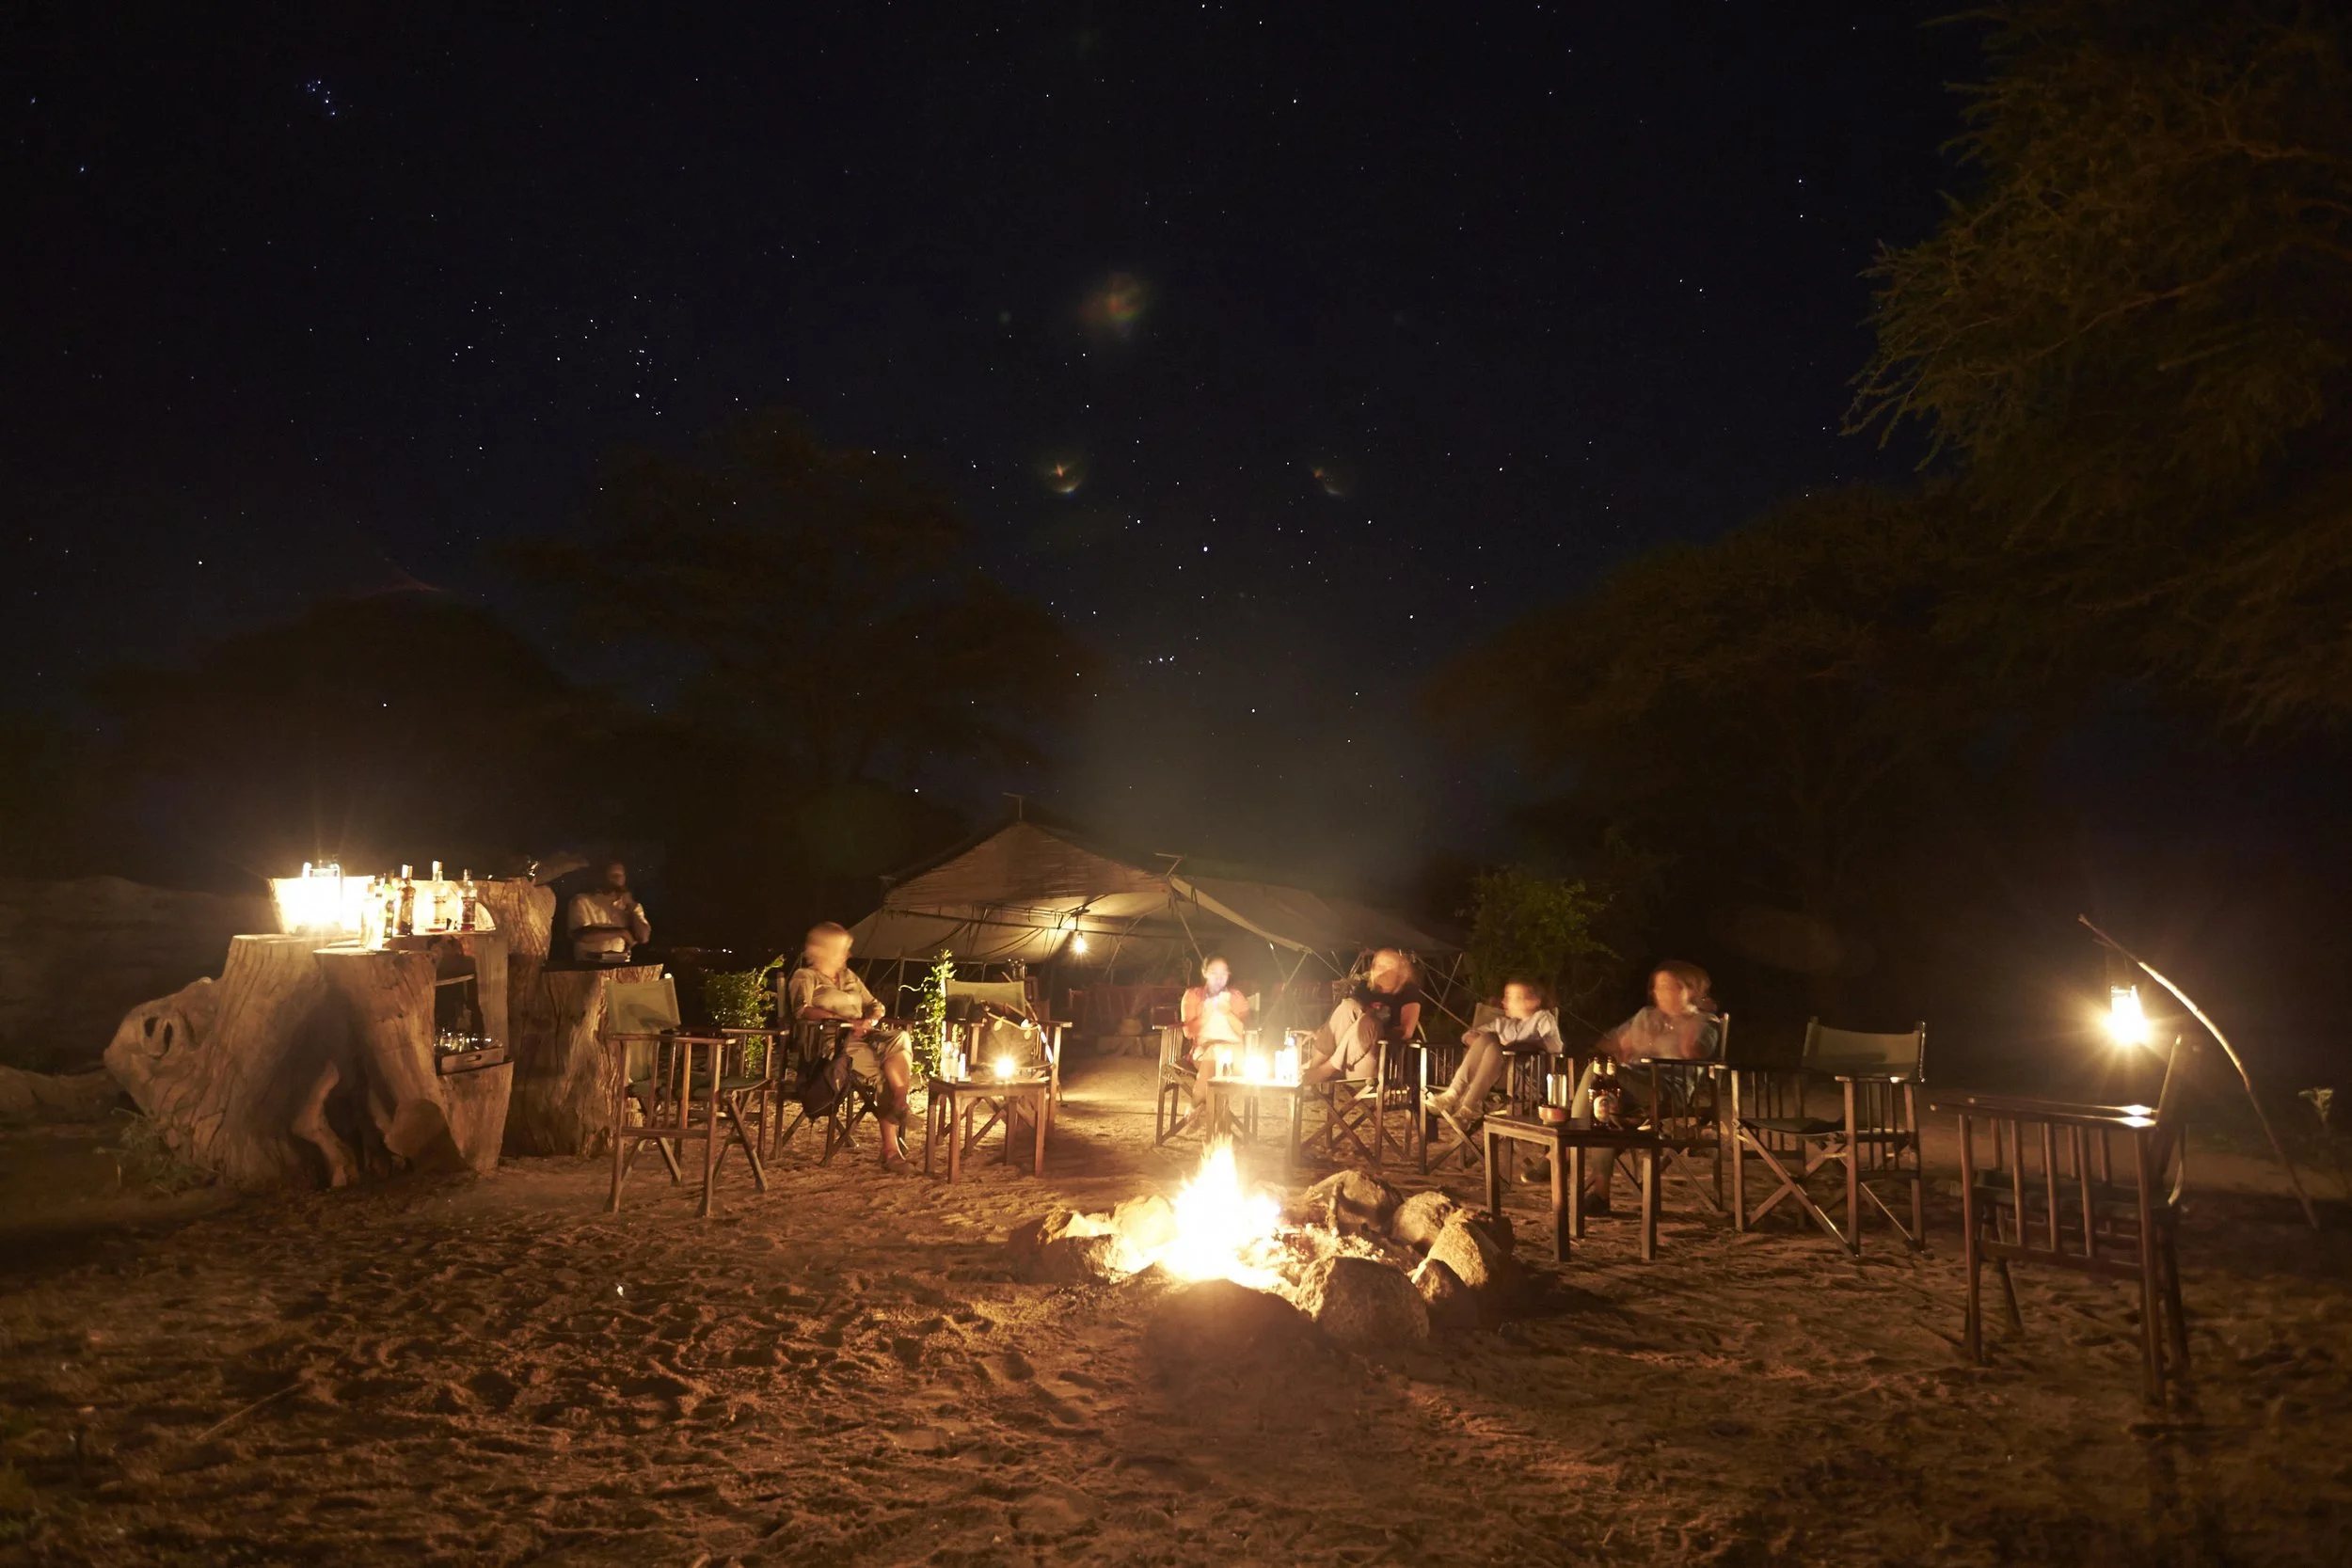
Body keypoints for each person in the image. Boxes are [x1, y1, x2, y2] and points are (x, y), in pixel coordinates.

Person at [1573, 959, 1722, 1211]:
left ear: (1692, 990)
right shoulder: (1645, 1016)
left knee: (1594, 1074)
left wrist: (1689, 1022)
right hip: (1632, 1083)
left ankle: (1565, 1143)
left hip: (1667, 1090)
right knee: (1604, 1105)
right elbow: (1607, 1045)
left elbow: (1693, 1052)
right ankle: (1601, 1195)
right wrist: (1620, 1047)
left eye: (1671, 986)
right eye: (1658, 987)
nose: (1662, 993)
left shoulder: (1706, 1022)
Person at [786, 922, 915, 1174]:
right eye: (843, 949)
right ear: (824, 950)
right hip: (833, 1044)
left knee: (900, 1037)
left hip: (864, 1035)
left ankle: (900, 1099)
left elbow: (876, 1005)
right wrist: (846, 1022)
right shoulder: (806, 977)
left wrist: (871, 1019)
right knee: (884, 1073)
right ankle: (890, 1151)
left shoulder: (849, 978)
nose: (848, 955)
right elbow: (802, 1010)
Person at [1426, 977, 1565, 1127]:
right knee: (1488, 1038)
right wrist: (1490, 1046)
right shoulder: (1503, 1024)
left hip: (1523, 1082)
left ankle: (1464, 1102)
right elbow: (1467, 1036)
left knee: (1492, 1042)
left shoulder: (1542, 1018)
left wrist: (1518, 1046)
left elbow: (1556, 1047)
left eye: (1512, 997)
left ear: (1532, 1001)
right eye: (1505, 996)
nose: (1504, 1001)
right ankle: (1459, 1100)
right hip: (1493, 1078)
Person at [1301, 948, 1424, 1085]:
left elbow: (1407, 1032)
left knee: (1369, 1021)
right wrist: (1320, 1031)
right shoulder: (1365, 988)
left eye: (1389, 966)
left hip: (1381, 1063)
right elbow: (1345, 1017)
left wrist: (1376, 1031)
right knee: (1348, 1005)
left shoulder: (1408, 992)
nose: (1383, 970)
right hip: (1347, 1061)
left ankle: (1325, 1070)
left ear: (1400, 972)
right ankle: (1314, 1068)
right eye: (1379, 966)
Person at [1179, 955, 1251, 1073]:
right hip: (1205, 1049)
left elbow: (1246, 1031)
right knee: (1213, 1056)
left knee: (1224, 1058)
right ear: (1204, 972)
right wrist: (1206, 1016)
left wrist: (1228, 1013)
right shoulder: (1193, 995)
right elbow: (1188, 1033)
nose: (1219, 978)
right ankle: (1205, 1092)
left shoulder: (1236, 997)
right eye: (1214, 973)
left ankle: (1200, 1091)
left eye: (1224, 973)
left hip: (1235, 1049)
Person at [567, 861, 651, 963]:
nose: (617, 879)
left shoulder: (632, 906)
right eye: (613, 875)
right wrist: (621, 932)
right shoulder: (582, 900)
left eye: (621, 875)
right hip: (589, 966)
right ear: (602, 877)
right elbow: (580, 934)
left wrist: (631, 906)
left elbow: (643, 938)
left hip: (621, 967)